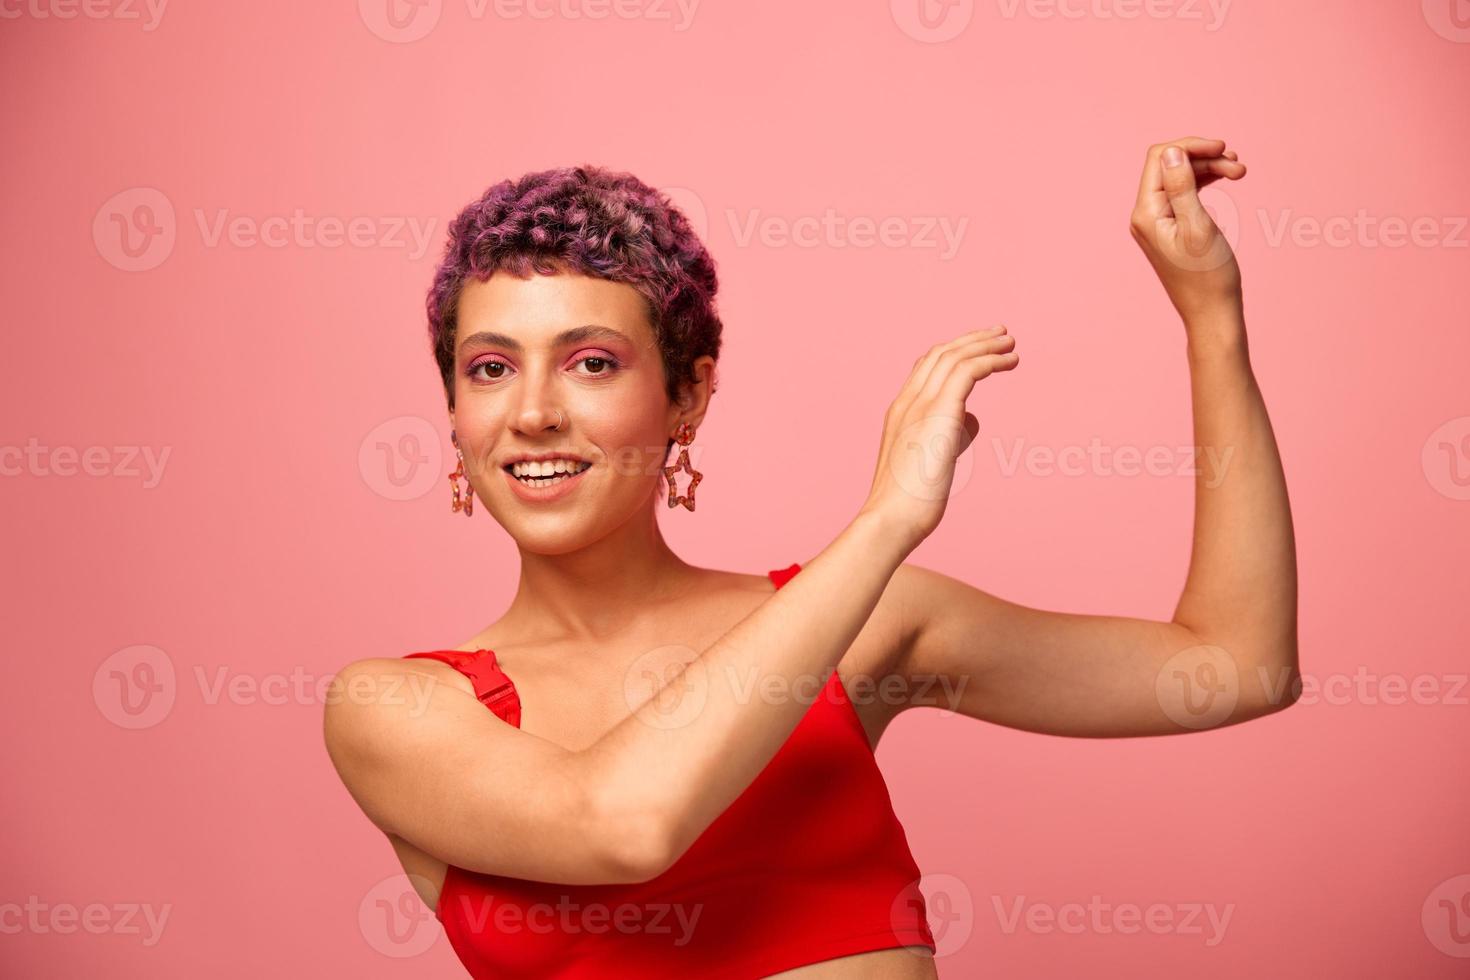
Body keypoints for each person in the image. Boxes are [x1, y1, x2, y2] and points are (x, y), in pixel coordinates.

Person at [323, 136, 1299, 978]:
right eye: (489, 367)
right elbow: (621, 823)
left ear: (688, 394)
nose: (532, 411)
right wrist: (885, 521)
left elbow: (1235, 667)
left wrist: (1212, 317)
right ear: (455, 410)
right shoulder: (396, 708)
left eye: (591, 361)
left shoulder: (855, 621)